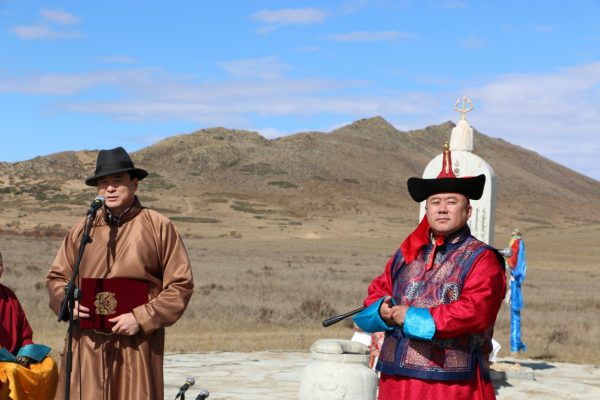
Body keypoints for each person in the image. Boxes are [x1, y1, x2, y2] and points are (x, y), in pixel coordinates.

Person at [354, 144, 506, 400]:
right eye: (435, 202)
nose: (442, 208)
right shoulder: (407, 255)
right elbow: (377, 291)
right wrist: (382, 311)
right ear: (427, 211)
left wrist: (412, 317)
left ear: (468, 211)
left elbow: (475, 312)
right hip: (394, 379)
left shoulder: (482, 258)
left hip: (450, 383)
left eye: (451, 202)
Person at [46, 147, 194, 399]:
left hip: (136, 343)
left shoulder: (159, 226)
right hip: (87, 343)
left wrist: (141, 317)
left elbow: (180, 285)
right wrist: (67, 302)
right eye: (104, 183)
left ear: (134, 184)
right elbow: (57, 278)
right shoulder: (83, 228)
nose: (110, 189)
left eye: (118, 181)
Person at [1, 251, 58, 399]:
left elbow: (25, 334)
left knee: (49, 364)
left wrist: (26, 354)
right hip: (4, 362)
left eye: (0, 265)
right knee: (12, 371)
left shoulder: (9, 295)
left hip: (15, 357)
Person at [506, 228, 527, 355]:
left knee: (515, 313)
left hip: (515, 280)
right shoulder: (518, 244)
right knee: (515, 314)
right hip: (515, 279)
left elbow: (514, 261)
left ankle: (515, 346)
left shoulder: (517, 244)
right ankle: (516, 345)